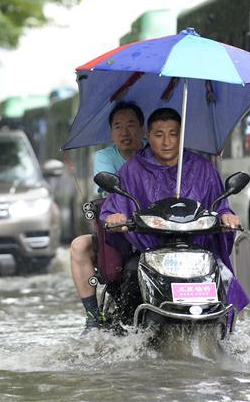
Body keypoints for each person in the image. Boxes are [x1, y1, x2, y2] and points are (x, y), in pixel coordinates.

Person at [101, 107, 250, 319]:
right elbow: (113, 207)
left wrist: (227, 216)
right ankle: (129, 332)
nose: (167, 142)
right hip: (149, 252)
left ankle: (220, 324)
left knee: (221, 276)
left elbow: (220, 204)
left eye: (173, 134)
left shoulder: (203, 168)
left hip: (197, 251)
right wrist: (115, 217)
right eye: (159, 134)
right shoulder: (132, 170)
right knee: (132, 272)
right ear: (147, 135)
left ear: (182, 136)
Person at [69, 101, 145, 331]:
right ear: (111, 132)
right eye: (118, 127)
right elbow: (111, 190)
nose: (125, 132)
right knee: (79, 246)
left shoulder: (154, 153)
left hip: (156, 227)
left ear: (142, 129)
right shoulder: (104, 156)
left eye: (131, 125)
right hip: (120, 228)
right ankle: (93, 317)